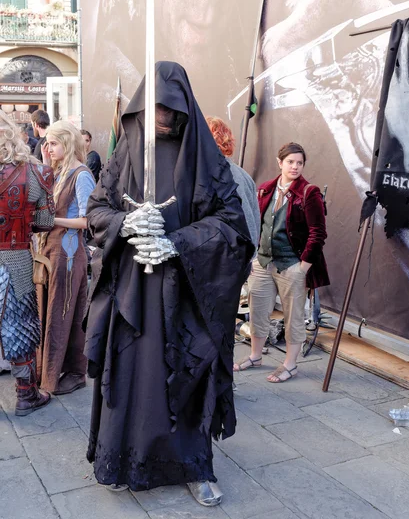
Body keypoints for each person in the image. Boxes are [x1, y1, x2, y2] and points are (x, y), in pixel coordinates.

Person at [84, 62, 253, 505]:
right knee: (130, 380)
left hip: (186, 294)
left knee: (187, 378)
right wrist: (125, 221)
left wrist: (178, 243)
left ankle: (194, 466)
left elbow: (233, 227)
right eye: (155, 105)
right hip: (132, 294)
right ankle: (122, 459)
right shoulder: (124, 155)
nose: (162, 115)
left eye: (170, 106)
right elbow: (96, 212)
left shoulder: (206, 160)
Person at [234, 142, 329, 382]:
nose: (295, 167)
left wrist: (303, 267)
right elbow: (257, 223)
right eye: (290, 162)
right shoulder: (265, 189)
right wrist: (255, 255)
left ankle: (290, 365)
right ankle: (255, 355)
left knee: (293, 316)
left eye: (299, 163)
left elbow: (318, 233)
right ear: (280, 163)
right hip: (263, 263)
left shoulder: (309, 192)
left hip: (292, 266)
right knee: (257, 312)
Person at [0, 110, 55, 415]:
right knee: (19, 325)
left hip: (13, 252)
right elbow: (46, 222)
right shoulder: (34, 173)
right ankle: (26, 395)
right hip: (16, 254)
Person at [37, 121, 96, 395]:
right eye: (47, 142)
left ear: (68, 143)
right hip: (54, 251)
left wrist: (52, 220)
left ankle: (72, 372)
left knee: (63, 314)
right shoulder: (59, 172)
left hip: (69, 253)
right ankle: (51, 372)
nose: (48, 148)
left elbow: (89, 220)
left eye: (53, 143)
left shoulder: (81, 174)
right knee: (54, 312)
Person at [205, 116, 260, 250]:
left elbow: (244, 219)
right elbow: (255, 221)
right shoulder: (243, 175)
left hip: (227, 260)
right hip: (237, 258)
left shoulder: (223, 175)